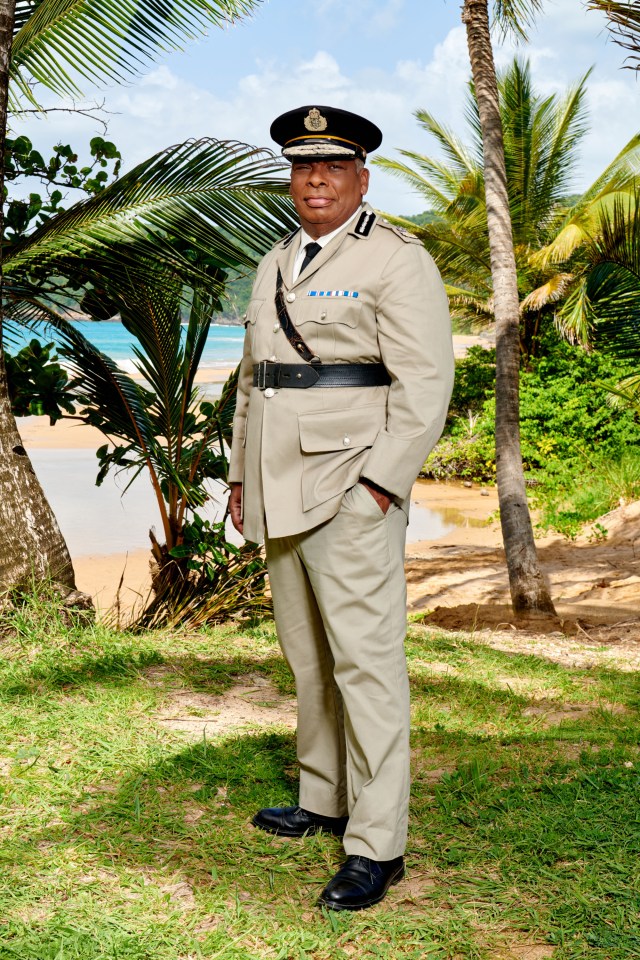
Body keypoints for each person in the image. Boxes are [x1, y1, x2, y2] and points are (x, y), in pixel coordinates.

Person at [228, 104, 454, 911]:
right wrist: (241, 479)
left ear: (362, 176)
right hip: (277, 487)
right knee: (309, 658)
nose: (315, 179)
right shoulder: (275, 260)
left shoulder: (397, 259)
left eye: (332, 166)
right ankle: (322, 797)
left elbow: (425, 387)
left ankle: (377, 843)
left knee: (367, 666)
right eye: (302, 166)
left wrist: (381, 486)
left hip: (352, 486)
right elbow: (257, 382)